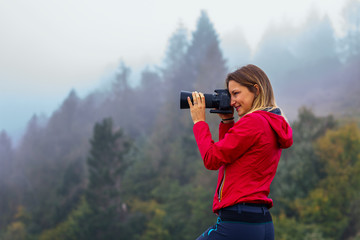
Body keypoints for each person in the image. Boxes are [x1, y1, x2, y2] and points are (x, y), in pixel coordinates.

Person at [187, 64, 293, 240]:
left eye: (236, 94)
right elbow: (229, 156)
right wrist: (228, 121)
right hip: (261, 223)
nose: (231, 101)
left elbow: (212, 159)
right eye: (230, 96)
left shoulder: (253, 121)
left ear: (256, 90)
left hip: (238, 221)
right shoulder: (271, 122)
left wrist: (199, 123)